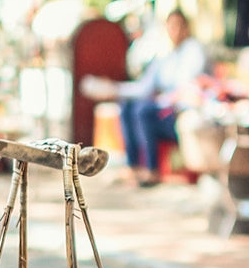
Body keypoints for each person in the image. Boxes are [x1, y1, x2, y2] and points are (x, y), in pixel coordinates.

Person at [84, 9, 207, 185]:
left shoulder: (194, 50)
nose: (175, 31)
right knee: (127, 106)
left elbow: (185, 87)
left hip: (180, 111)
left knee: (143, 111)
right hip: (164, 108)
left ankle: (152, 170)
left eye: (179, 26)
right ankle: (133, 166)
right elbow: (144, 88)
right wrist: (114, 89)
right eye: (171, 26)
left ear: (187, 27)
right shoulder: (166, 56)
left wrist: (161, 98)